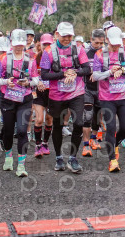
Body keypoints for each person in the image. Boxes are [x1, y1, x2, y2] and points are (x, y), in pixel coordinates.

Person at [39, 22, 91, 173]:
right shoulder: (48, 51)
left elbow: (87, 69)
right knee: (58, 125)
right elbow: (44, 75)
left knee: (79, 123)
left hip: (76, 92)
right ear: (57, 35)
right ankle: (59, 158)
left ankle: (73, 158)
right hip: (57, 94)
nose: (67, 38)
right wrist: (63, 74)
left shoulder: (78, 48)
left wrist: (74, 73)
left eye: (70, 36)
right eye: (64, 36)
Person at [0, 29, 40, 177]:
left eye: (21, 44)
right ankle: (8, 157)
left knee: (22, 131)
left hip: (25, 99)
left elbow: (36, 79)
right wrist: (6, 82)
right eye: (16, 44)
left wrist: (28, 83)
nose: (18, 47)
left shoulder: (30, 59)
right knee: (8, 129)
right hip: (7, 99)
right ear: (11, 43)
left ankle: (21, 165)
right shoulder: (3, 58)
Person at [91, 27, 125, 172]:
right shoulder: (100, 54)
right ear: (107, 40)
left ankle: (114, 144)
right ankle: (112, 160)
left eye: (118, 43)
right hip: (107, 98)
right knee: (110, 127)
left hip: (124, 97)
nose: (116, 46)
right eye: (113, 43)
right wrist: (110, 72)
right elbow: (95, 76)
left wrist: (122, 70)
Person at [81, 29, 105, 157]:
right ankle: (85, 145)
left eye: (101, 43)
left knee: (97, 115)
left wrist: (99, 73)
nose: (99, 46)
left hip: (101, 89)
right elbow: (79, 69)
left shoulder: (105, 53)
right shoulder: (84, 52)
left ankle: (93, 138)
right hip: (87, 89)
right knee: (88, 116)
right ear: (91, 40)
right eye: (96, 43)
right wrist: (90, 71)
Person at [33, 33, 53, 158]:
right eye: (44, 44)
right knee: (39, 119)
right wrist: (37, 82)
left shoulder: (55, 58)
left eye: (49, 44)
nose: (46, 47)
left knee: (49, 119)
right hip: (39, 93)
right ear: (40, 44)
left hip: (52, 92)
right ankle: (38, 145)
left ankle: (45, 143)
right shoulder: (35, 58)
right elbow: (30, 74)